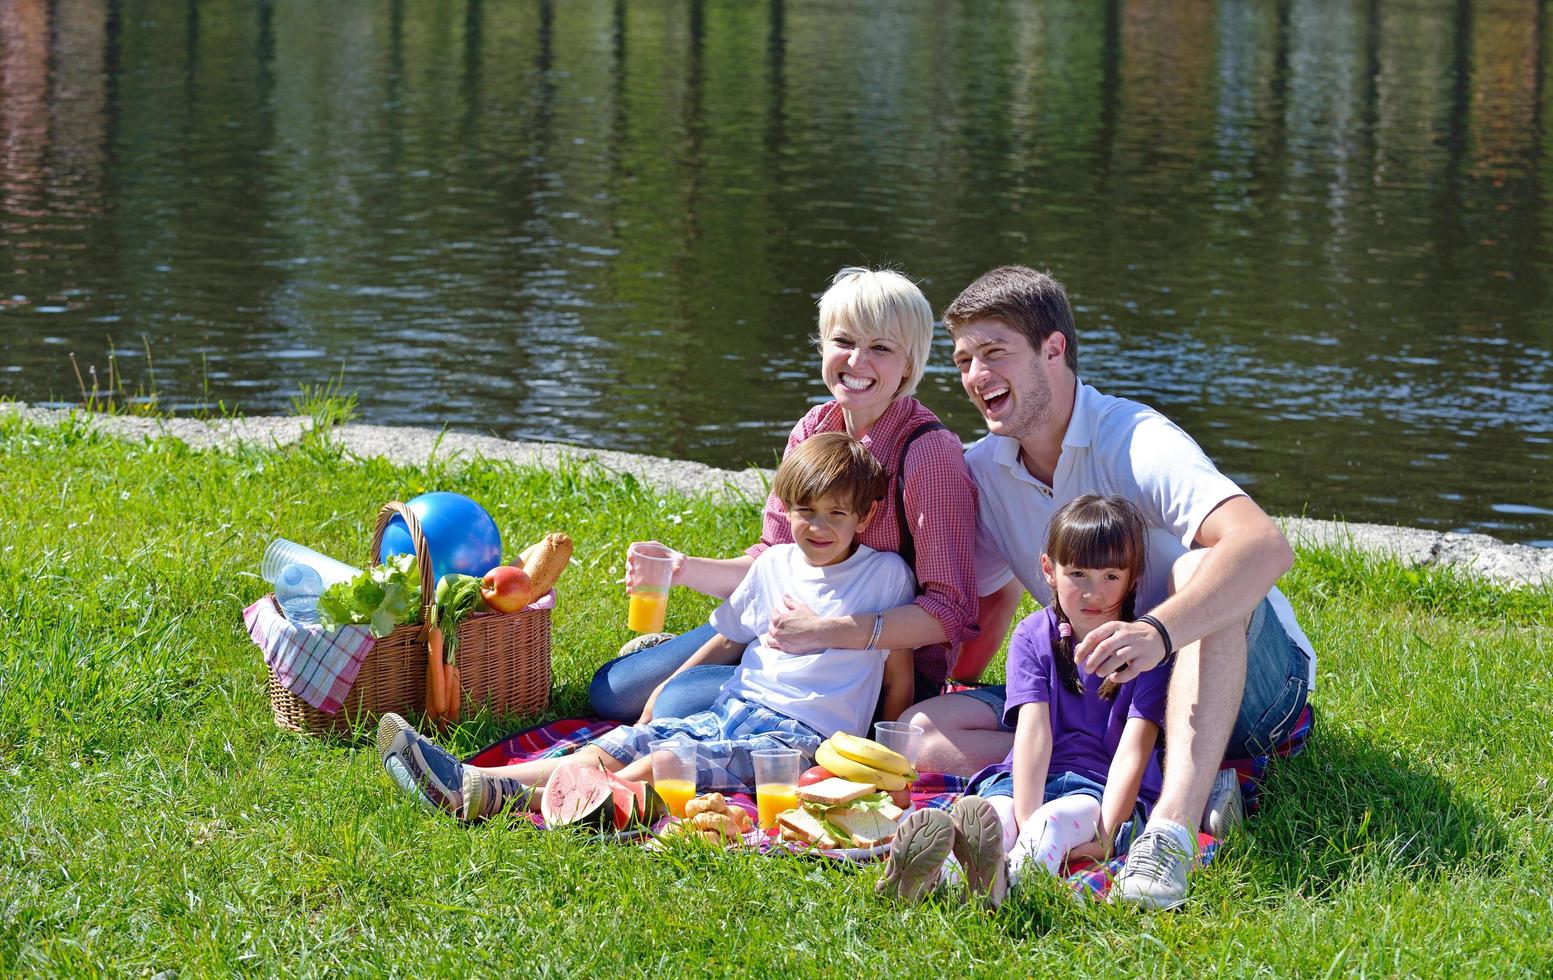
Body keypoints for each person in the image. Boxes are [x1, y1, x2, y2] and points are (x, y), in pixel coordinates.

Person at [905, 265, 1315, 910]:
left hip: (1254, 685)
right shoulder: (985, 469)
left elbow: (1262, 545)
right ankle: (1098, 784)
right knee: (924, 729)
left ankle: (1169, 832)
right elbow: (988, 599)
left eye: (993, 353)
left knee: (1195, 567)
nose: (975, 376)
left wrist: (1157, 633)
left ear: (1054, 349)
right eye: (962, 360)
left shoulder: (1134, 438)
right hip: (1098, 695)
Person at [377, 432, 917, 821]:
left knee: (661, 764)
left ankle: (512, 802)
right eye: (805, 511)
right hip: (733, 707)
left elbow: (897, 674)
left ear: (864, 517)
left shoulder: (885, 576)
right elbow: (728, 639)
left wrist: (883, 764)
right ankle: (476, 782)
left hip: (798, 738)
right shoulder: (774, 565)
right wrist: (664, 685)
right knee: (619, 745)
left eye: (836, 515)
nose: (817, 527)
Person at [588, 266, 979, 722]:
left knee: (676, 702)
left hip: (867, 671)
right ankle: (687, 654)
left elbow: (949, 611)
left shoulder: (929, 453)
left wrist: (823, 631)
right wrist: (682, 569)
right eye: (844, 341)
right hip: (779, 634)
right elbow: (773, 558)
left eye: (881, 348)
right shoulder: (815, 427)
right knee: (610, 695)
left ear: (909, 363)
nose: (856, 362)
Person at [878, 495, 1168, 906]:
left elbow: (1133, 750)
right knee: (991, 815)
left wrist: (1106, 834)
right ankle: (935, 875)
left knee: (1049, 825)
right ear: (1050, 570)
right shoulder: (1034, 635)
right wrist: (1022, 812)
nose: (1094, 592)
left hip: (1097, 789)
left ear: (1132, 576)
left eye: (1110, 576)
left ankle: (1009, 883)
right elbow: (1033, 734)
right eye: (1079, 573)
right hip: (1025, 776)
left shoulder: (1145, 649)